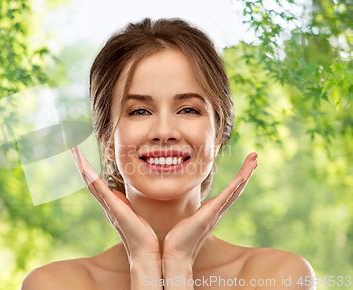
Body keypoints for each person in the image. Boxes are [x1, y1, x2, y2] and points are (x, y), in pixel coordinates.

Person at [21, 17, 315, 290]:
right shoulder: (54, 284)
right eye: (139, 110)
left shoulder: (278, 276)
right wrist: (144, 262)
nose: (164, 131)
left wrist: (178, 263)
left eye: (188, 109)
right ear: (107, 141)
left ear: (218, 135)